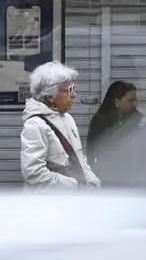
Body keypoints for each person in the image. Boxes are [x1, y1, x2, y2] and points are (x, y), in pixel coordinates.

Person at [20, 62, 99, 190]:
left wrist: (92, 181)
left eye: (73, 88)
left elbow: (78, 159)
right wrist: (75, 186)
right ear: (51, 96)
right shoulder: (35, 125)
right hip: (52, 205)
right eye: (69, 89)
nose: (74, 95)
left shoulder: (67, 118)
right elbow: (34, 174)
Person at [86, 79, 146, 187]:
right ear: (117, 101)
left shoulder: (140, 120)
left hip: (134, 182)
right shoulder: (100, 121)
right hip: (107, 181)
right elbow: (92, 153)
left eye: (135, 100)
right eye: (130, 100)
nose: (135, 104)